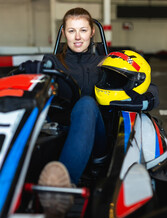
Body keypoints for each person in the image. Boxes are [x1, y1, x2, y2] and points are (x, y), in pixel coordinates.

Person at [19, 8, 159, 194]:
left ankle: (60, 188)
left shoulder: (107, 63)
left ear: (92, 32)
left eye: (83, 30)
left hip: (100, 139)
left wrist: (139, 100)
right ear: (63, 33)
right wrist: (28, 74)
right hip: (58, 132)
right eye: (71, 31)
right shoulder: (51, 63)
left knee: (86, 104)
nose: (78, 37)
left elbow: (148, 87)